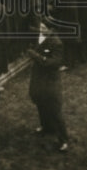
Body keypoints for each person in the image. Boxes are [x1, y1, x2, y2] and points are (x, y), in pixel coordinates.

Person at [27, 19, 69, 152]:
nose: (41, 29)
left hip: (50, 80)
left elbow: (54, 63)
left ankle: (64, 139)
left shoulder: (56, 43)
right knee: (40, 102)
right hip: (39, 77)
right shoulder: (41, 37)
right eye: (41, 27)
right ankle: (46, 127)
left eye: (44, 27)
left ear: (51, 29)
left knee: (54, 108)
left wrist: (37, 56)